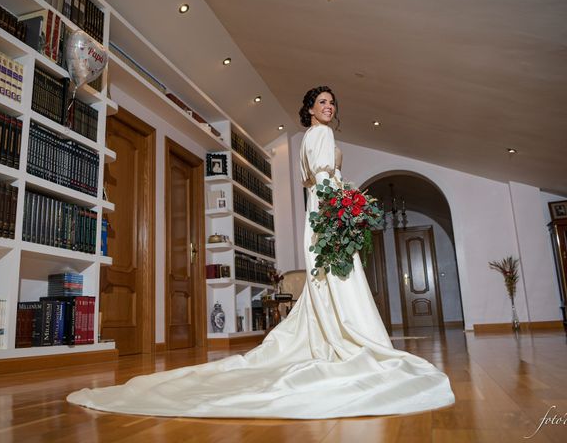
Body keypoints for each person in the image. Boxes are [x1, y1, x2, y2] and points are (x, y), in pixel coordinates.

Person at [67, 86, 455, 418]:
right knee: (340, 277)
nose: (329, 107)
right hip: (328, 210)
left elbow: (313, 182)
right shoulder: (320, 136)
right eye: (322, 102)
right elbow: (324, 179)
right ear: (309, 109)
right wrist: (340, 212)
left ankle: (340, 333)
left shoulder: (307, 140)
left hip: (319, 212)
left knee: (332, 280)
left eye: (332, 102)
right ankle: (352, 337)